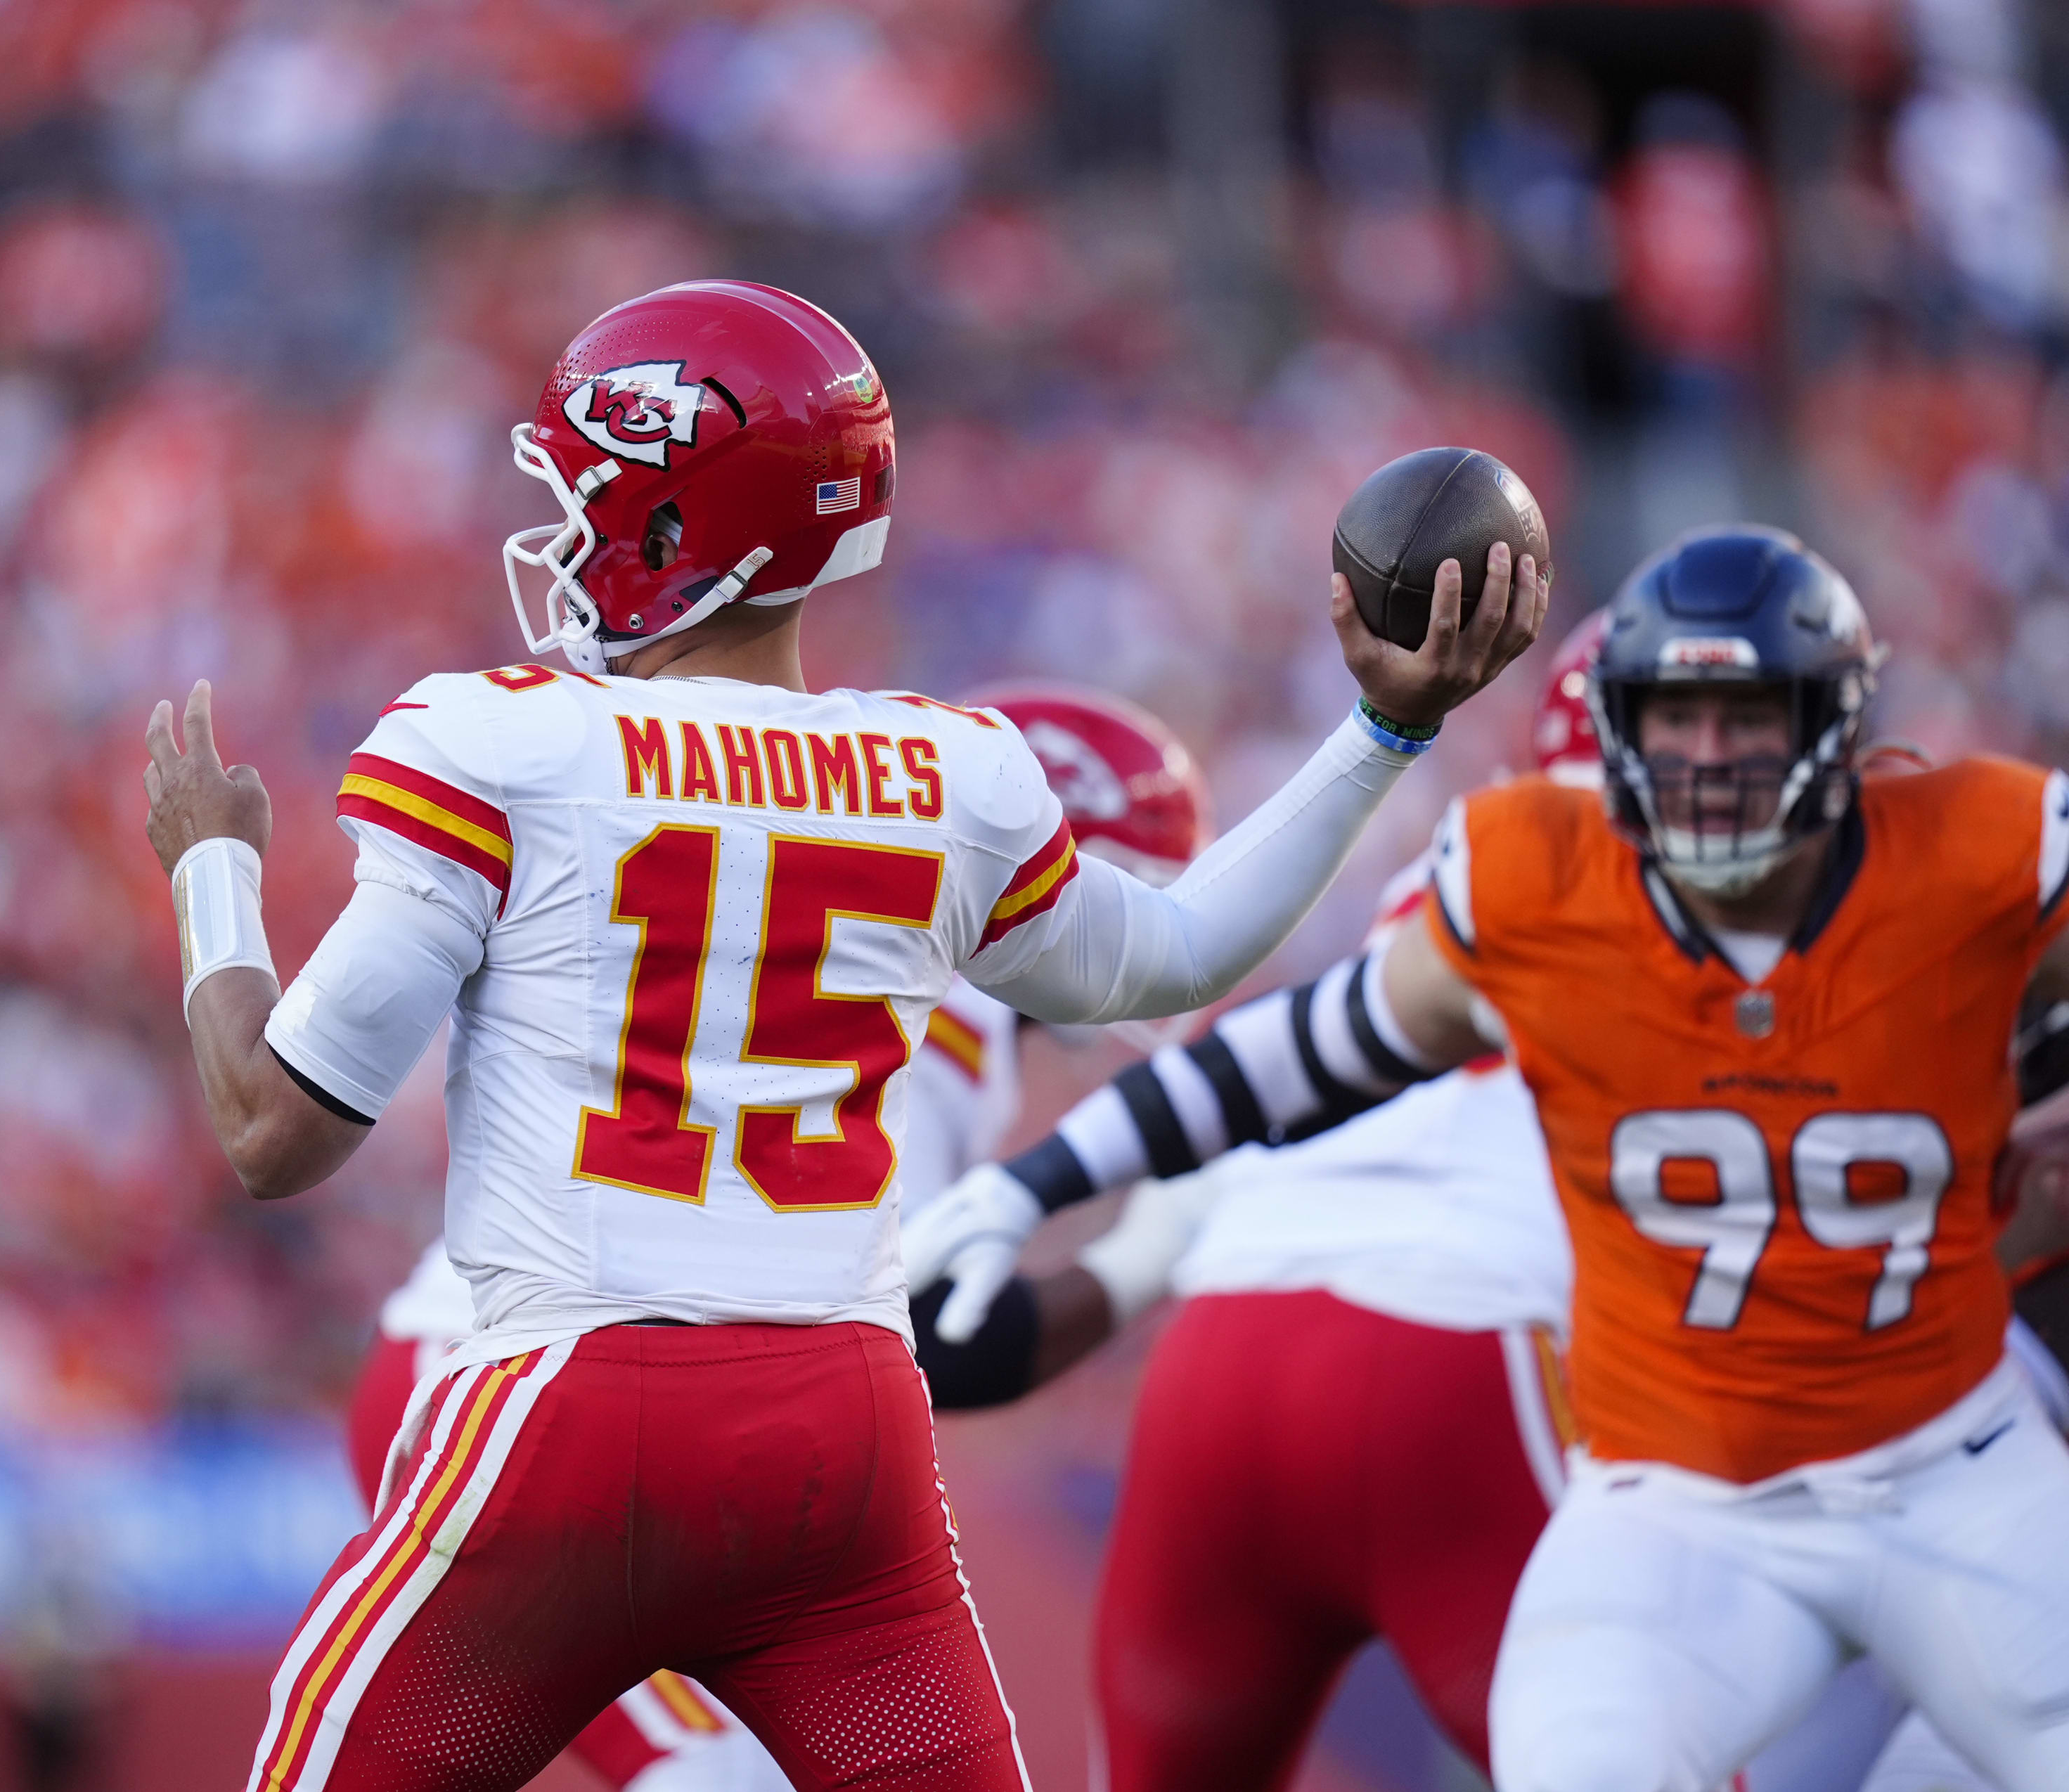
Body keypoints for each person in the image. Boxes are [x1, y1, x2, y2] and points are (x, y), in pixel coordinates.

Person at [139, 278, 1542, 1792]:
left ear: (681, 529)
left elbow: (275, 1135)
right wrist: (1386, 730)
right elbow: (1180, 951)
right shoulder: (947, 774)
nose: (565, 532)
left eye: (597, 495)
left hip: (571, 1422)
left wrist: (210, 871)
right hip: (845, 1449)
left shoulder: (500, 744)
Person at [903, 526, 2069, 1791]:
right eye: (1680, 725)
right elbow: (1299, 1055)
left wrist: (1064, 1204)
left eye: (1749, 722)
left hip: (1241, 1340)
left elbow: (1269, 1070)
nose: (1711, 766)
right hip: (1568, 1407)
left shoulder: (1963, 859)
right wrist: (1045, 1185)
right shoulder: (1533, 884)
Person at [340, 684, 1212, 1792]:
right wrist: (1155, 1253)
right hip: (517, 1390)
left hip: (600, 1391)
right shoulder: (950, 996)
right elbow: (946, 1340)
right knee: (717, 1777)